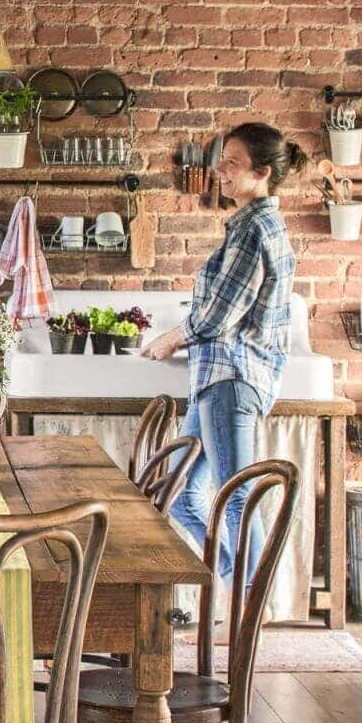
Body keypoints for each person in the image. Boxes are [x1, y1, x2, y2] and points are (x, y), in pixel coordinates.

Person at [139, 122, 304, 583]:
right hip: (219, 379)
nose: (220, 171)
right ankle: (233, 587)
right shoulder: (252, 226)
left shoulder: (254, 231)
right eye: (221, 160)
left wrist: (172, 337)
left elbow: (217, 317)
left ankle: (244, 611)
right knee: (179, 492)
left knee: (236, 497)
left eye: (233, 163)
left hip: (230, 379)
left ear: (263, 173)